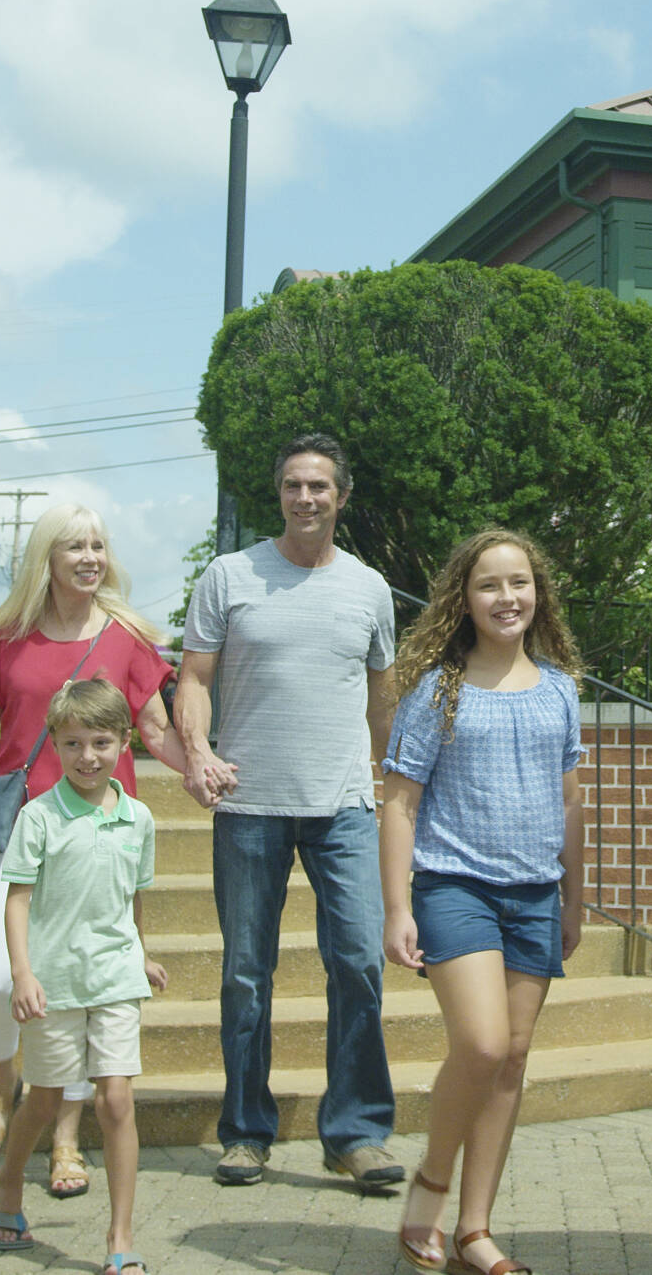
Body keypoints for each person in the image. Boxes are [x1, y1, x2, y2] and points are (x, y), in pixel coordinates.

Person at [0, 504, 230, 1194]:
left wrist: (199, 769)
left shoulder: (126, 638)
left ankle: (65, 1139)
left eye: (98, 546)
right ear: (48, 558)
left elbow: (154, 729)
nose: (90, 557)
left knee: (74, 985)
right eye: (75, 547)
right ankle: (2, 1078)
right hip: (19, 826)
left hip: (97, 833)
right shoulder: (5, 638)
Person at [175, 432, 404, 1189]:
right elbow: (194, 678)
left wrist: (394, 782)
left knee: (359, 963)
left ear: (342, 497)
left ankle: (356, 1133)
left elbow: (381, 696)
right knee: (246, 974)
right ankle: (246, 1132)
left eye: (319, 486)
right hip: (249, 805)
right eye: (292, 485)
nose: (305, 497)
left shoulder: (369, 587)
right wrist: (197, 752)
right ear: (279, 494)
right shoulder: (229, 575)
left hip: (344, 806)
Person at [378, 529, 586, 1275]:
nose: (507, 597)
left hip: (535, 895)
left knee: (512, 1058)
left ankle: (474, 1231)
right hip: (454, 887)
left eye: (519, 582)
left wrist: (574, 898)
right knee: (484, 1044)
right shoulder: (438, 689)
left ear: (539, 593)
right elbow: (399, 803)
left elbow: (570, 802)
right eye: (489, 585)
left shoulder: (560, 689)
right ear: (463, 601)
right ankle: (431, 1186)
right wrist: (397, 908)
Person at [0, 680, 168, 1270]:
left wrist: (142, 953)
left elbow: (131, 897)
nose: (87, 757)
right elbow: (17, 900)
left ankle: (120, 1238)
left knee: (116, 1100)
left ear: (124, 743)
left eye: (100, 742)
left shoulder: (138, 819)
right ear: (54, 742)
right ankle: (7, 1185)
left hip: (115, 979)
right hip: (53, 982)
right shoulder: (38, 816)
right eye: (73, 743)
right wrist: (22, 972)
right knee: (46, 1099)